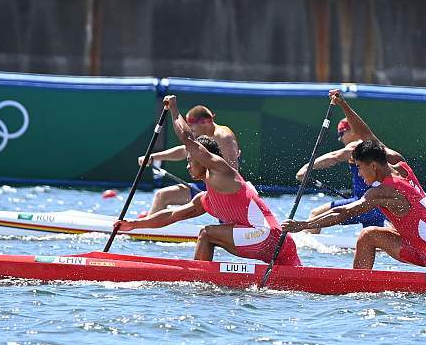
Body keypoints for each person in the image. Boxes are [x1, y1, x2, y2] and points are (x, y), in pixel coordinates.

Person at [116, 95, 301, 266]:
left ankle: (200, 281)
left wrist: (173, 109)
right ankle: (206, 279)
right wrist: (134, 225)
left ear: (203, 158)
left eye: (190, 161)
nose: (188, 166)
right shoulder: (205, 199)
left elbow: (188, 141)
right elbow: (173, 215)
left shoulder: (221, 172)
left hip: (267, 237)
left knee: (207, 233)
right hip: (283, 245)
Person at [283, 139, 426, 274]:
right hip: (416, 246)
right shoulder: (402, 166)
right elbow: (373, 141)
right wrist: (344, 105)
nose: (359, 174)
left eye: (359, 168)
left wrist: (303, 225)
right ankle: (358, 285)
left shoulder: (382, 191)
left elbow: (344, 213)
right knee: (368, 235)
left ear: (373, 166)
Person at [138, 104, 241, 215]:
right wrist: (152, 157)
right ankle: (148, 229)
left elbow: (233, 172)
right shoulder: (204, 137)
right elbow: (185, 150)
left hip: (226, 194)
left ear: (205, 122)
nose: (191, 132)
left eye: (192, 128)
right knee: (162, 196)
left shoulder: (224, 137)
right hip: (210, 189)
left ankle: (148, 225)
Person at [293, 117, 386, 233]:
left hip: (363, 204)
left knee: (316, 214)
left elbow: (334, 157)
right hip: (380, 209)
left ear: (352, 131)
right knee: (372, 238)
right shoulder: (376, 146)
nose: (340, 138)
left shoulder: (357, 146)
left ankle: (302, 247)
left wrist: (307, 168)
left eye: (341, 133)